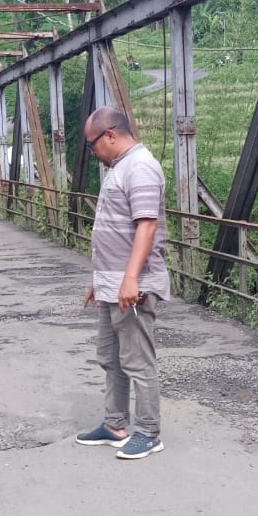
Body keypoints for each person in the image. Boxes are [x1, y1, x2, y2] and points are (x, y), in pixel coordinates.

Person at [74, 105, 170, 460]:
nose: (92, 152)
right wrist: (101, 280)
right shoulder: (120, 167)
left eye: (92, 145)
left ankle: (148, 432)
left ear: (110, 135)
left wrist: (130, 279)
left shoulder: (140, 167)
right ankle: (115, 424)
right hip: (112, 283)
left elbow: (147, 225)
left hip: (134, 285)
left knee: (137, 359)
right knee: (111, 357)